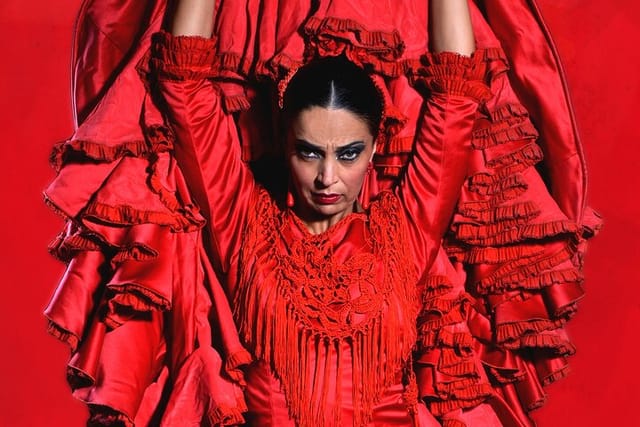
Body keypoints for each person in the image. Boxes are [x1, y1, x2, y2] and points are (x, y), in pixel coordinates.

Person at [43, 0, 601, 426]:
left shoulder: (407, 227)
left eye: (348, 154)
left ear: (376, 148)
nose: (328, 177)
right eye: (310, 151)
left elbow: (456, 93)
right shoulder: (241, 220)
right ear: (285, 142)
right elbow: (182, 84)